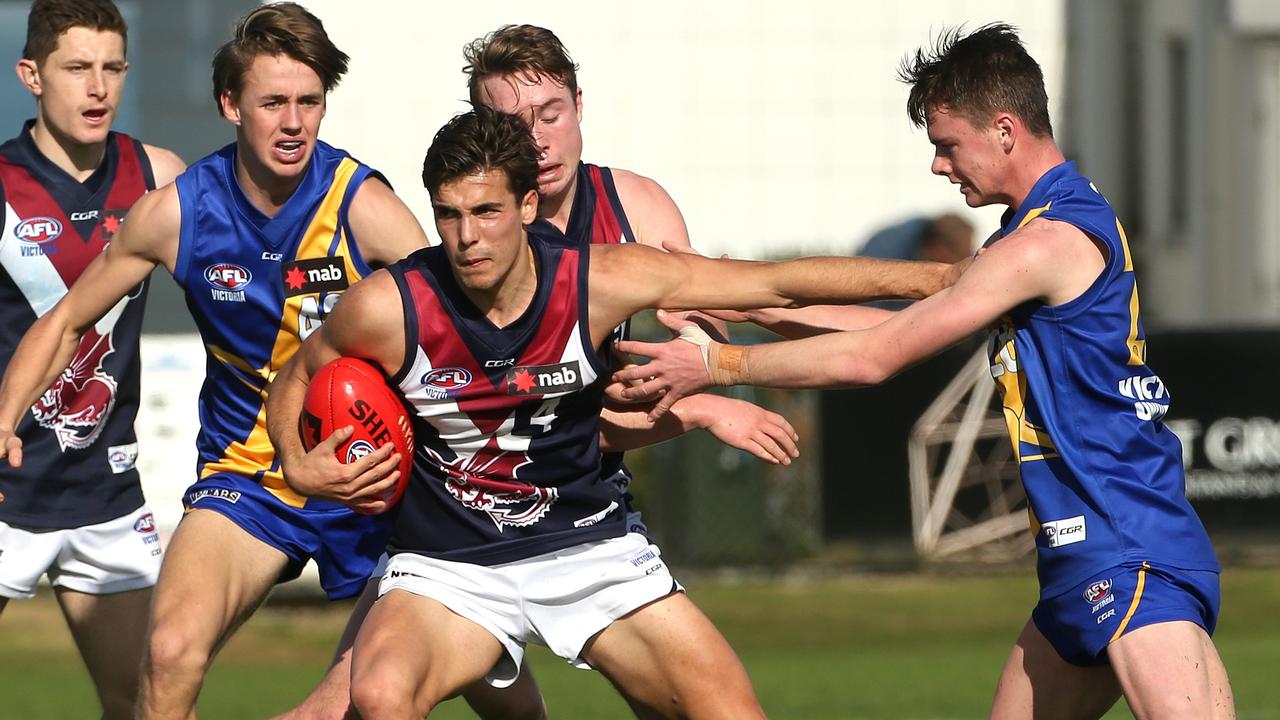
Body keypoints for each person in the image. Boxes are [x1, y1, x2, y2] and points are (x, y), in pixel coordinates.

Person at [613, 24, 1234, 719]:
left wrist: (717, 363)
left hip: (1126, 545)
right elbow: (887, 331)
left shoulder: (1045, 243)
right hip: (1082, 554)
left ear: (1004, 129)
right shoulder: (1034, 233)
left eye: (947, 144)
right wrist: (750, 304)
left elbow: (873, 359)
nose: (940, 166)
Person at [265, 106, 956, 718]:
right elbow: (295, 376)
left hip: (588, 547)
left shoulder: (597, 280)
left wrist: (942, 280)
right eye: (448, 214)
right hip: (452, 567)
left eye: (486, 212)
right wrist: (302, 466)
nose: (465, 236)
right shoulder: (393, 304)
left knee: (730, 710)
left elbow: (775, 282)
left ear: (528, 205)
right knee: (381, 695)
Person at [0, 4, 544, 719]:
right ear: (231, 104)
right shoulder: (177, 212)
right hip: (250, 476)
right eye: (273, 102)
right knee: (167, 652)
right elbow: (68, 319)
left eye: (309, 102)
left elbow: (452, 330)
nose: (294, 122)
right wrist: (5, 417)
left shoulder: (363, 205)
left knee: (486, 698)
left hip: (374, 470)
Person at [464, 24, 801, 531]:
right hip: (481, 499)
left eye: (551, 115)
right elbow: (537, 421)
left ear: (579, 104)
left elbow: (702, 322)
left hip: (591, 492)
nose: (537, 141)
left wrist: (686, 353)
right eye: (513, 125)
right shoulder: (480, 233)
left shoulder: (635, 204)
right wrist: (703, 408)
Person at [0, 1, 184, 717]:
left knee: (144, 703)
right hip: (8, 493)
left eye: (112, 68)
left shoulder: (158, 175)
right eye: (77, 68)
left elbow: (237, 287)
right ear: (32, 76)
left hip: (107, 500)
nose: (98, 88)